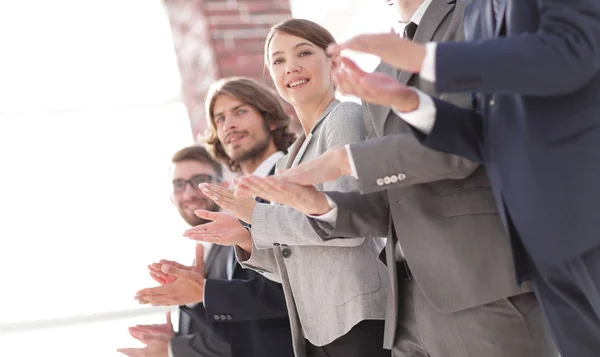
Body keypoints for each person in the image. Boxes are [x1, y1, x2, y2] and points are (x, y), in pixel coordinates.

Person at [267, 1, 600, 356]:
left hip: (486, 281)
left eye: (303, 52)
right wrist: (322, 206)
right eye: (277, 60)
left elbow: (465, 151)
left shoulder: (466, 16)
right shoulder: (382, 70)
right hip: (409, 305)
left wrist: (349, 159)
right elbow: (465, 144)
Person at [184, 20, 389, 357]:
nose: (290, 66)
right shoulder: (289, 161)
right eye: (278, 60)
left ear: (334, 62)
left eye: (304, 52)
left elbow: (348, 227)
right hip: (315, 331)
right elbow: (298, 260)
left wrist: (257, 216)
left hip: (358, 320)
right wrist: (246, 239)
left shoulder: (344, 118)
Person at [120, 146, 294, 357]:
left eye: (199, 181)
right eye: (179, 185)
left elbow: (255, 326)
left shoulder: (239, 242)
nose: (189, 193)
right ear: (170, 197)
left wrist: (171, 350)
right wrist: (179, 335)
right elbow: (226, 328)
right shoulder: (205, 252)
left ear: (222, 186)